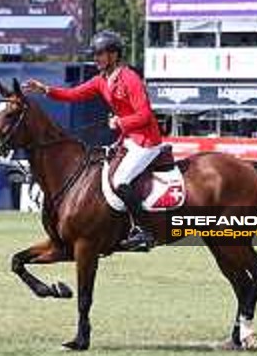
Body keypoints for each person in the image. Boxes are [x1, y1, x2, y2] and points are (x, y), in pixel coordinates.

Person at [24, 30, 163, 251]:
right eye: (95, 54)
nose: (96, 58)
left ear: (114, 55)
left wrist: (119, 123)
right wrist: (46, 90)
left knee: (120, 181)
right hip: (128, 140)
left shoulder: (129, 78)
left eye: (100, 54)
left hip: (146, 140)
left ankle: (146, 232)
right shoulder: (102, 80)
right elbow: (74, 94)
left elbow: (145, 115)